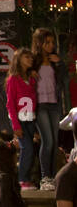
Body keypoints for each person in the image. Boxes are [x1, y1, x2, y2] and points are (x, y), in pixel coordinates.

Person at [33, 28, 69, 191]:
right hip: (40, 105)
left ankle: (55, 176)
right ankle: (45, 177)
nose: (50, 46)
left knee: (55, 142)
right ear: (39, 43)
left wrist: (59, 63)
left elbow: (63, 80)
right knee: (47, 141)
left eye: (52, 43)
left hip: (53, 104)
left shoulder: (55, 61)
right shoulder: (33, 61)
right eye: (47, 42)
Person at [6, 48, 40, 189]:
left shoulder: (31, 79)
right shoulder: (13, 80)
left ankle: (29, 177)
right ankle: (22, 179)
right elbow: (10, 104)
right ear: (19, 60)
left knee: (32, 147)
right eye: (27, 57)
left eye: (31, 57)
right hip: (20, 119)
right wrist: (16, 125)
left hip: (31, 118)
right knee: (27, 148)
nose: (30, 60)